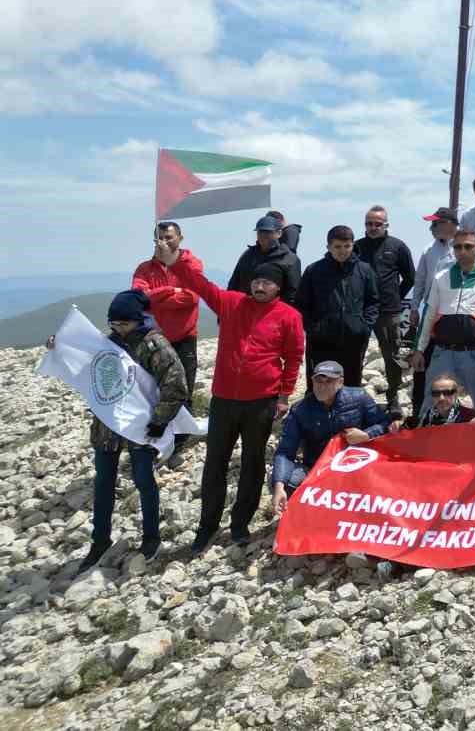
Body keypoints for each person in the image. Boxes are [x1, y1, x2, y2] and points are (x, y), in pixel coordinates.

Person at [159, 239, 304, 553]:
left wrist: (284, 395)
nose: (260, 286)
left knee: (252, 465)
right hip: (224, 399)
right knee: (215, 464)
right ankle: (207, 526)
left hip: (261, 401)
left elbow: (294, 357)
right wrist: (178, 258)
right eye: (257, 280)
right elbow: (201, 284)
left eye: (267, 282)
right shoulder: (232, 302)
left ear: (278, 287)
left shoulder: (289, 316)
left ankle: (240, 524)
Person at [51, 290, 187, 572]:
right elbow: (85, 365)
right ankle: (99, 540)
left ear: (139, 320)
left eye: (123, 324)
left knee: (143, 480)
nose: (117, 329)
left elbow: (176, 385)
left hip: (142, 426)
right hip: (108, 427)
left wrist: (159, 421)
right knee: (103, 483)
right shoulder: (109, 343)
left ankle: (151, 538)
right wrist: (58, 346)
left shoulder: (155, 346)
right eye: (113, 324)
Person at [414, 228, 475, 420]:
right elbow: (429, 314)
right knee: (430, 401)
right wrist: (419, 349)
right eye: (458, 247)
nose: (463, 251)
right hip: (442, 352)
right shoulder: (441, 277)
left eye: (468, 246)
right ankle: (423, 440)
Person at [271, 361, 389, 513]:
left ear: (340, 382)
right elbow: (285, 452)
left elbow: (385, 424)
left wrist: (366, 435)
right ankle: (311, 514)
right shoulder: (300, 409)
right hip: (317, 468)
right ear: (312, 381)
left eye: (329, 381)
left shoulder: (359, 397)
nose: (322, 385)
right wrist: (279, 486)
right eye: (318, 380)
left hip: (355, 466)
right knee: (282, 480)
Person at [132, 221, 203, 468]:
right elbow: (139, 298)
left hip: (184, 338)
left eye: (169, 237)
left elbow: (192, 296)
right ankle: (154, 442)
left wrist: (157, 296)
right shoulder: (144, 268)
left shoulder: (191, 264)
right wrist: (172, 290)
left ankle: (178, 446)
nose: (165, 242)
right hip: (154, 340)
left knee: (183, 391)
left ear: (180, 238)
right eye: (160, 238)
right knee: (153, 392)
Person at [295, 226, 379, 390]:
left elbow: (373, 301)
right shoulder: (314, 270)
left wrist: (364, 326)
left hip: (354, 338)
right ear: (328, 247)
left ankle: (350, 415)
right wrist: (313, 328)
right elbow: (302, 303)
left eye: (347, 246)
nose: (342, 251)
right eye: (337, 247)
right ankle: (317, 414)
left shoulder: (364, 270)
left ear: (353, 245)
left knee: (351, 383)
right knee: (319, 383)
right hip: (321, 339)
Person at [355, 205, 416, 416]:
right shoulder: (357, 247)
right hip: (361, 311)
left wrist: (396, 296)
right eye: (369, 224)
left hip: (390, 311)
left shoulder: (397, 246)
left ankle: (393, 397)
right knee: (356, 353)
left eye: (377, 224)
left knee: (393, 356)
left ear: (386, 225)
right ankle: (354, 398)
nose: (373, 227)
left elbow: (410, 278)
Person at [404, 207, 459, 418]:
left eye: (436, 223)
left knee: (449, 363)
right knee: (421, 360)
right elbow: (420, 280)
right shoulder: (429, 249)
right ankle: (419, 408)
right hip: (429, 312)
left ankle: (450, 411)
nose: (431, 227)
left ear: (450, 225)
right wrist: (414, 306)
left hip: (453, 314)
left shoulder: (464, 249)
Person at [226, 215, 303, 305]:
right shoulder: (248, 255)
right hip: (246, 311)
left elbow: (293, 294)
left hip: (273, 313)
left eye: (268, 232)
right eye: (260, 232)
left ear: (279, 233)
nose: (263, 235)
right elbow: (234, 284)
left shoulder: (290, 259)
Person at [406, 375, 475, 427]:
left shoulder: (470, 417)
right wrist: (397, 424)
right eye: (436, 393)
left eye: (447, 393)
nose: (441, 398)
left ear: (456, 394)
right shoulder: (425, 418)